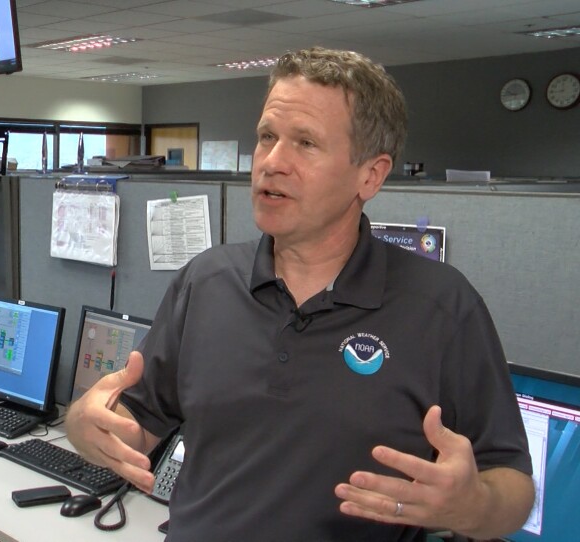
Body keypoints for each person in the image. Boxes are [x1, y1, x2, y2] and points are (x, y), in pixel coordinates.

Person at [65, 47, 534, 541]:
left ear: (369, 175)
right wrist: (84, 424)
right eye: (267, 136)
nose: (272, 162)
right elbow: (133, 418)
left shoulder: (442, 307)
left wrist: (474, 505)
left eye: (305, 143)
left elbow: (512, 485)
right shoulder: (205, 282)